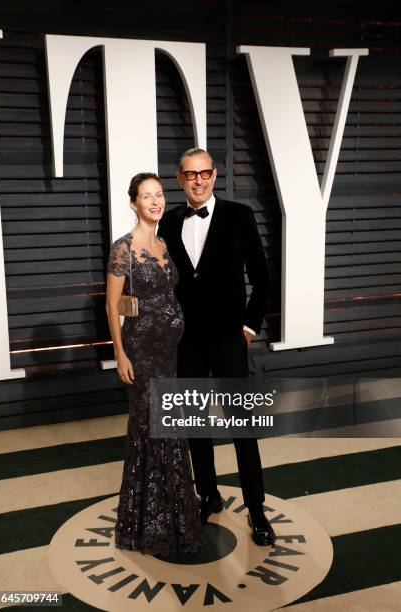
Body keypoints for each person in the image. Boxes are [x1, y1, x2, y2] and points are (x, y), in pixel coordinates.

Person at [158, 148, 275, 546]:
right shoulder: (169, 222)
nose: (198, 180)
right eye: (190, 174)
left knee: (242, 427)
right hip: (186, 343)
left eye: (204, 173)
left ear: (214, 175)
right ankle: (208, 494)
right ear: (179, 178)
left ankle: (257, 510)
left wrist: (247, 328)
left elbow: (262, 280)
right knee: (194, 423)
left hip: (228, 340)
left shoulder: (239, 215)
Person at [106, 172, 205, 556]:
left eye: (159, 195)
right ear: (134, 203)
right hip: (142, 352)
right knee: (151, 428)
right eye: (146, 196)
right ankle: (149, 524)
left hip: (169, 352)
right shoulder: (123, 249)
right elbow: (113, 306)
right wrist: (120, 353)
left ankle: (174, 514)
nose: (155, 201)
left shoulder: (165, 243)